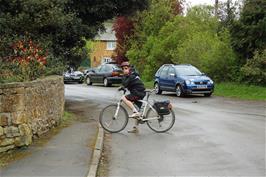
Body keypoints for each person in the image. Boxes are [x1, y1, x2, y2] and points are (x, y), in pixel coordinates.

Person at [119, 61, 146, 133]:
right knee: (138, 111)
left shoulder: (131, 75)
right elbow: (127, 84)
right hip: (138, 92)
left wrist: (122, 86)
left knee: (124, 98)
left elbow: (125, 83)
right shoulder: (131, 75)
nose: (124, 70)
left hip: (138, 93)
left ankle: (135, 111)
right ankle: (135, 128)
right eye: (123, 69)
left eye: (126, 68)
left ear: (129, 69)